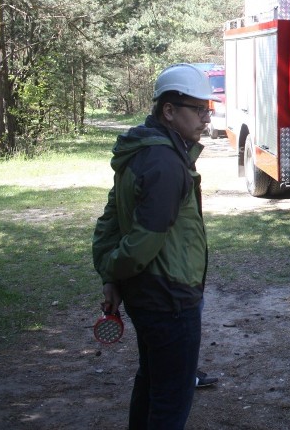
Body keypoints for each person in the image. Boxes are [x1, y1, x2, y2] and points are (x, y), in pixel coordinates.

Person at [92, 63, 214, 429]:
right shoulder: (164, 162)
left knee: (152, 383)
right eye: (198, 109)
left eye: (208, 109)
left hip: (149, 293)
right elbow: (143, 239)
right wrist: (114, 271)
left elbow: (110, 221)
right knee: (170, 401)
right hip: (169, 299)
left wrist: (112, 279)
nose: (206, 119)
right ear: (169, 111)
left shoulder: (144, 150)